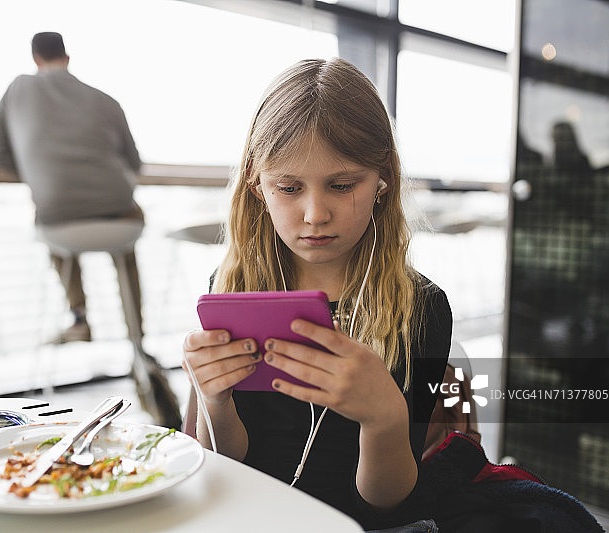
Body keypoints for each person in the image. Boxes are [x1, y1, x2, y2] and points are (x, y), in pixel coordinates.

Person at [181, 58, 452, 532]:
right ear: (257, 183)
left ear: (382, 179)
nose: (314, 214)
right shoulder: (231, 290)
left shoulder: (420, 308)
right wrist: (214, 401)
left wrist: (385, 418)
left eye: (342, 185)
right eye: (289, 187)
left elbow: (389, 504)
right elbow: (224, 464)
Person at [0, 31, 143, 344]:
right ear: (67, 58)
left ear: (35, 59)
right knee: (126, 247)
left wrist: (38, 171)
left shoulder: (18, 88)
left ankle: (79, 317)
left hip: (57, 215)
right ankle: (137, 334)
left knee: (52, 223)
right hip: (118, 212)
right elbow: (135, 162)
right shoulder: (105, 99)